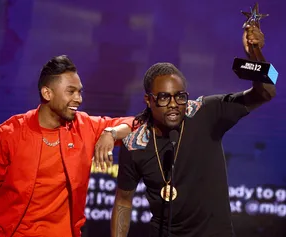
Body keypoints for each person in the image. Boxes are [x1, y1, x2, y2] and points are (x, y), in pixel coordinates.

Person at [111, 25, 276, 237]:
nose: (173, 104)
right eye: (163, 97)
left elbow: (267, 92)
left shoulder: (206, 113)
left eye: (180, 96)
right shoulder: (135, 144)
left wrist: (255, 55)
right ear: (148, 100)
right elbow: (123, 201)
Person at [0, 55, 133, 237]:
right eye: (71, 92)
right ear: (47, 93)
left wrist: (111, 132)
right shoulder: (8, 134)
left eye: (80, 92)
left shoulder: (84, 127)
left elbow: (137, 123)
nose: (78, 99)